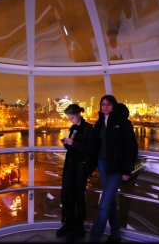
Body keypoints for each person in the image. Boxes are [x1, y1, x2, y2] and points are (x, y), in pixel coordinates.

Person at [89, 96, 138, 243]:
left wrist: (127, 170)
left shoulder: (123, 123)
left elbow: (131, 147)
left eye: (108, 105)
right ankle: (116, 234)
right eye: (103, 104)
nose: (105, 107)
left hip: (117, 168)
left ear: (114, 106)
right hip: (103, 165)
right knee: (108, 201)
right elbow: (95, 146)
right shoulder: (98, 124)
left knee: (104, 204)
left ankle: (94, 238)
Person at [56, 103, 95, 242]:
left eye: (71, 116)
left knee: (79, 197)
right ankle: (69, 223)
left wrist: (73, 144)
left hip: (80, 168)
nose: (70, 118)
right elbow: (73, 147)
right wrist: (67, 144)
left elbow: (90, 150)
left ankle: (79, 228)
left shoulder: (89, 129)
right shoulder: (73, 128)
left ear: (78, 114)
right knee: (66, 195)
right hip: (70, 166)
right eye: (68, 116)